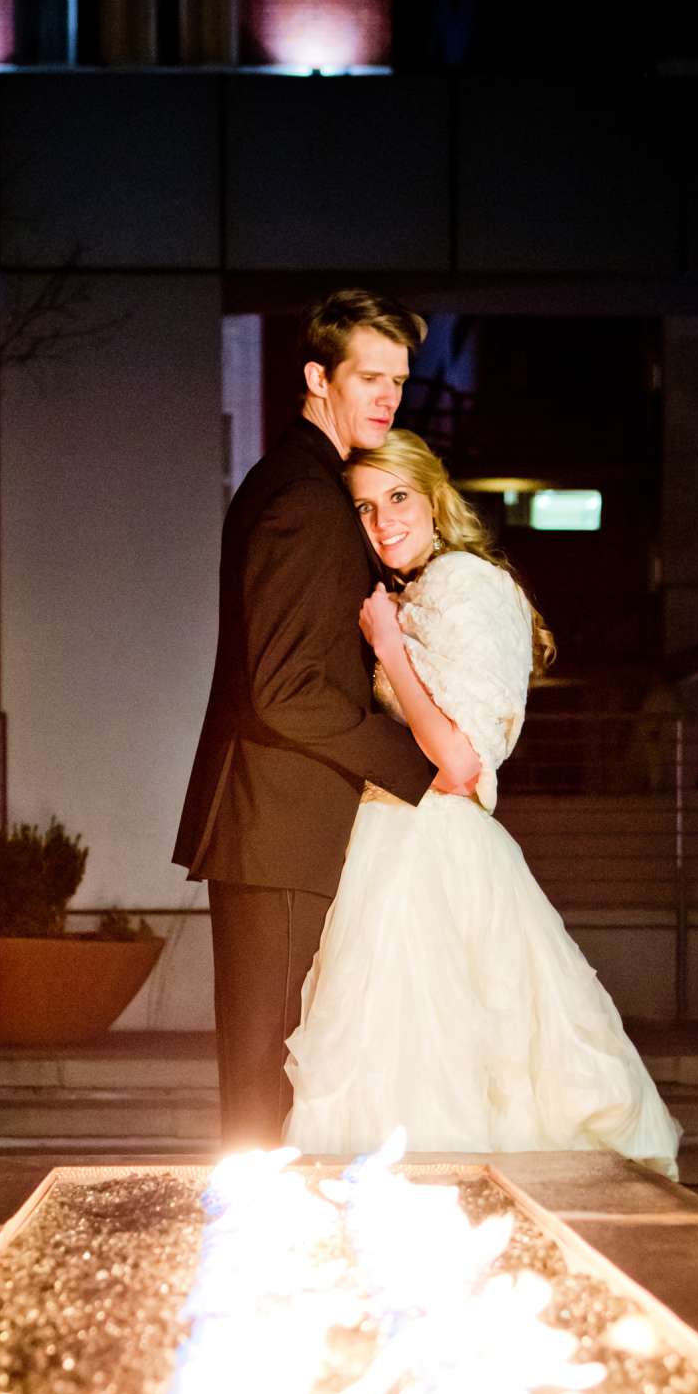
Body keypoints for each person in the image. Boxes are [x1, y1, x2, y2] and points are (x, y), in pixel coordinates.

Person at [285, 429, 681, 1176]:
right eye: (364, 509)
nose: (383, 521)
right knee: (397, 1053)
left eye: (397, 497)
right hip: (392, 841)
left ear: (435, 499)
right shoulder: (422, 588)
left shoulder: (466, 583)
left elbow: (462, 762)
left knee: (439, 1051)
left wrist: (391, 649)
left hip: (432, 847)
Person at [174, 291, 477, 1148]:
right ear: (317, 377)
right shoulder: (303, 497)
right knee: (265, 1077)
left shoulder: (305, 485)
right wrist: (415, 761)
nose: (389, 398)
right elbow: (282, 692)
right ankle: (255, 1260)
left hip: (285, 825)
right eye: (369, 377)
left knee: (274, 1072)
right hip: (276, 828)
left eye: (399, 382)